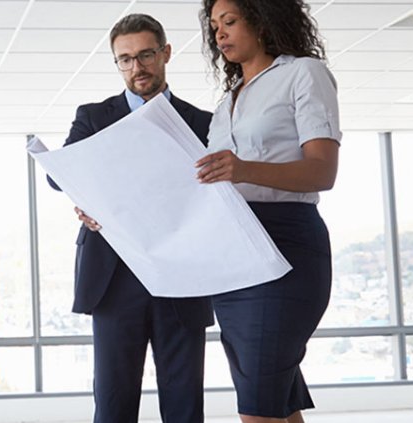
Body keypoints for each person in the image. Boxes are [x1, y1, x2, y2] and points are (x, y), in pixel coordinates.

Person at [48, 13, 214, 423]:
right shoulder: (92, 116)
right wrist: (88, 200)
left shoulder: (203, 123)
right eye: (125, 59)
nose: (136, 67)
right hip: (113, 276)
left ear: (166, 54)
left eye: (145, 55)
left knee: (184, 397)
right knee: (114, 396)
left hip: (182, 276)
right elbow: (62, 175)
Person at [196, 0, 341, 422]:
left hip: (286, 248)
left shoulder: (303, 74)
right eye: (214, 26)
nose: (219, 33)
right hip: (233, 256)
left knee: (258, 405)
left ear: (261, 21)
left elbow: (322, 171)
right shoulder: (227, 103)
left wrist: (243, 169)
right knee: (278, 401)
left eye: (230, 22)